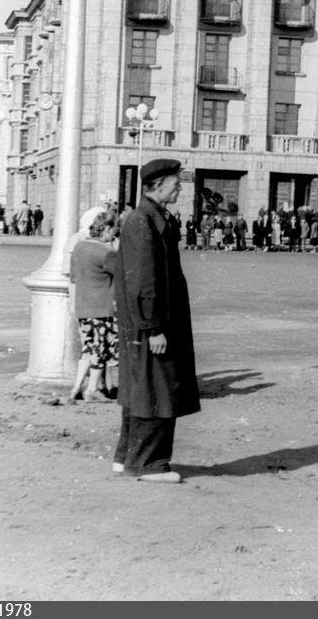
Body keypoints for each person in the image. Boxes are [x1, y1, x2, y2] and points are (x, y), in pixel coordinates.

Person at [111, 158, 199, 484]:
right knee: (157, 390)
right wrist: (153, 326)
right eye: (175, 182)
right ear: (157, 184)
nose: (180, 186)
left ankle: (127, 457)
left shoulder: (150, 218)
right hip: (153, 325)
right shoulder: (142, 222)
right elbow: (142, 280)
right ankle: (148, 464)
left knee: (142, 388)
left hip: (151, 323)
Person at [68, 206, 120, 403]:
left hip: (82, 307)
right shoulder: (106, 253)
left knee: (88, 348)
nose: (114, 235)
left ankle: (76, 387)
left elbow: (73, 278)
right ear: (106, 229)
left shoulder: (79, 247)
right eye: (113, 231)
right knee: (102, 348)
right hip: (102, 308)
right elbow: (122, 277)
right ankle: (92, 390)